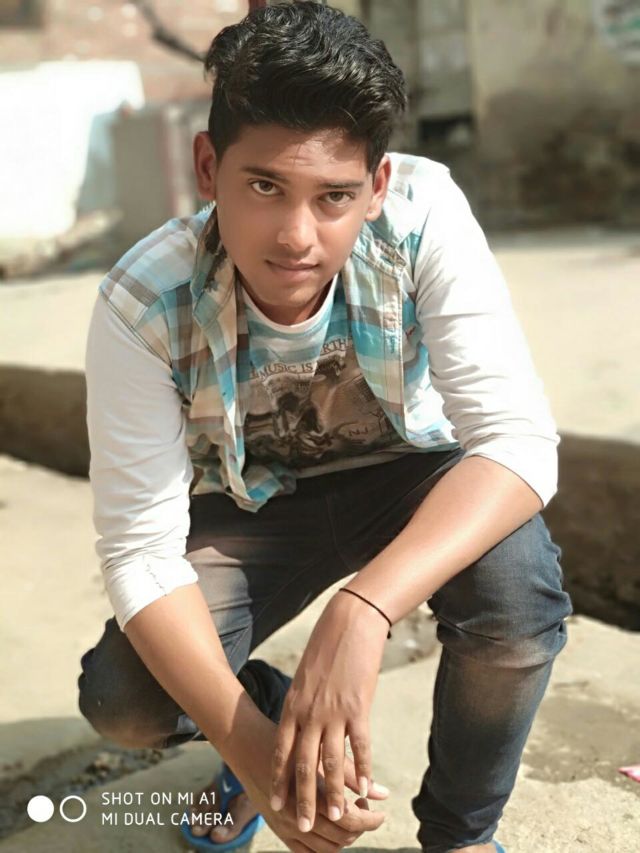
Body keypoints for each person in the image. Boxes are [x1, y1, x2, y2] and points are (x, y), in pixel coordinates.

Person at [76, 3, 573, 852]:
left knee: (517, 596)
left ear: (375, 187)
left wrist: (365, 608)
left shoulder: (421, 213)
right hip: (249, 505)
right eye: (264, 186)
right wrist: (257, 751)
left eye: (335, 196)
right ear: (208, 167)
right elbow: (138, 552)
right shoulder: (142, 299)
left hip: (412, 477)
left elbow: (517, 440)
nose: (297, 237)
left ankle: (460, 835)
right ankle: (265, 706)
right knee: (126, 699)